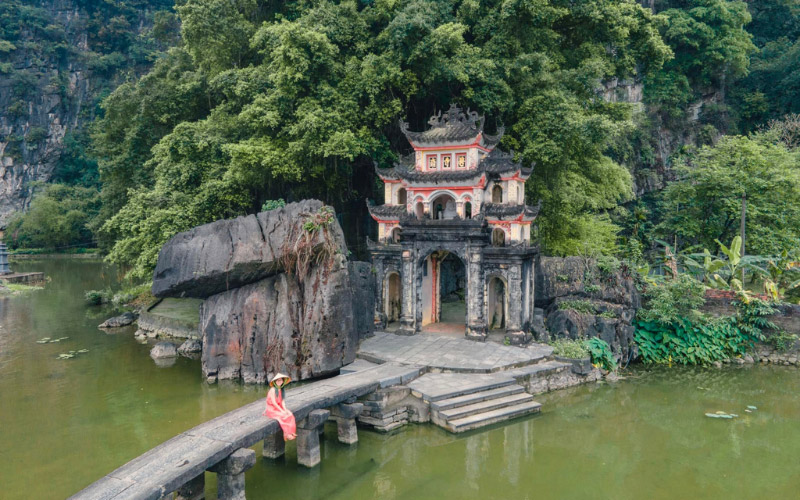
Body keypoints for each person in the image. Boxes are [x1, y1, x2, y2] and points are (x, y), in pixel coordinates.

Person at [263, 373, 297, 441]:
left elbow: (282, 402)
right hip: (272, 409)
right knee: (283, 416)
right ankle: (286, 433)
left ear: (283, 381)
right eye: (278, 380)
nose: (279, 382)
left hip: (279, 407)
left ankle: (291, 432)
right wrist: (281, 411)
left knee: (290, 414)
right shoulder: (272, 389)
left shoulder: (281, 389)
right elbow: (274, 403)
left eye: (280, 380)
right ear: (275, 381)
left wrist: (284, 409)